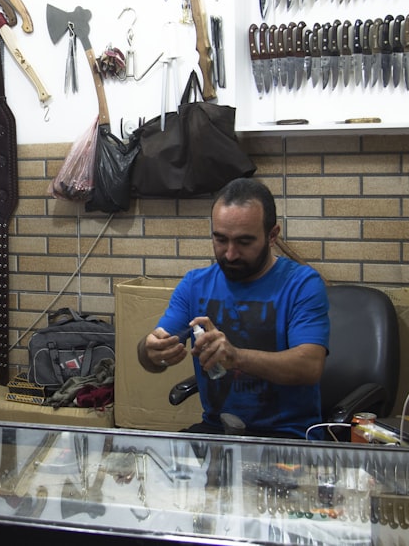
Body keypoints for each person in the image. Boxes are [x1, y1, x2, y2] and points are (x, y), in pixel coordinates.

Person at [137, 178, 329, 439]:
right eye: (220, 239)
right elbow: (152, 358)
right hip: (219, 431)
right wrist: (151, 351)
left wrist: (237, 357)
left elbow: (310, 366)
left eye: (244, 242)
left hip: (288, 436)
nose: (230, 254)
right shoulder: (195, 285)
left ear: (272, 235)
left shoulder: (302, 284)